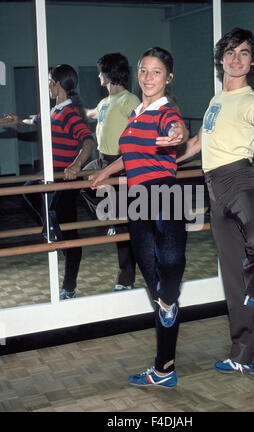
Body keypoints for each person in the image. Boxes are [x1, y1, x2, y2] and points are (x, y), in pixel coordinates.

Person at [176, 28, 254, 374]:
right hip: (213, 188)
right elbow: (198, 142)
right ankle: (248, 357)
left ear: (252, 62)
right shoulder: (216, 100)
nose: (235, 58)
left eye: (243, 53)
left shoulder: (249, 100)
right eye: (229, 51)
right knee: (232, 278)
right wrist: (165, 160)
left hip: (240, 180)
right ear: (221, 60)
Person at [90, 47, 189, 387]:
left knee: (172, 262)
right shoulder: (134, 115)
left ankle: (169, 299)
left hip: (163, 193)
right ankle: (164, 370)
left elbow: (176, 128)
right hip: (136, 199)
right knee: (154, 280)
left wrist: (178, 133)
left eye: (156, 71)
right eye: (143, 70)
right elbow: (128, 155)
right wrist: (106, 173)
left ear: (168, 77)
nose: (148, 77)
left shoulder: (165, 111)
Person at [0, 64, 95, 300]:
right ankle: (51, 228)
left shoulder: (70, 113)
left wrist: (75, 165)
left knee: (70, 233)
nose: (47, 86)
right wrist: (17, 120)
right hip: (51, 176)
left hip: (65, 179)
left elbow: (88, 141)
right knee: (28, 191)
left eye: (50, 81)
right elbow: (36, 119)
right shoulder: (54, 111)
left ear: (58, 85)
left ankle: (69, 287)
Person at [82, 53, 140, 292]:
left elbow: (142, 121)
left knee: (126, 225)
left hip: (122, 164)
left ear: (109, 74)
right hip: (102, 160)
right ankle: (108, 216)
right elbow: (90, 114)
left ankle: (125, 280)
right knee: (82, 181)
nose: (98, 76)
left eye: (100, 72)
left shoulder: (129, 100)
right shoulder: (105, 102)